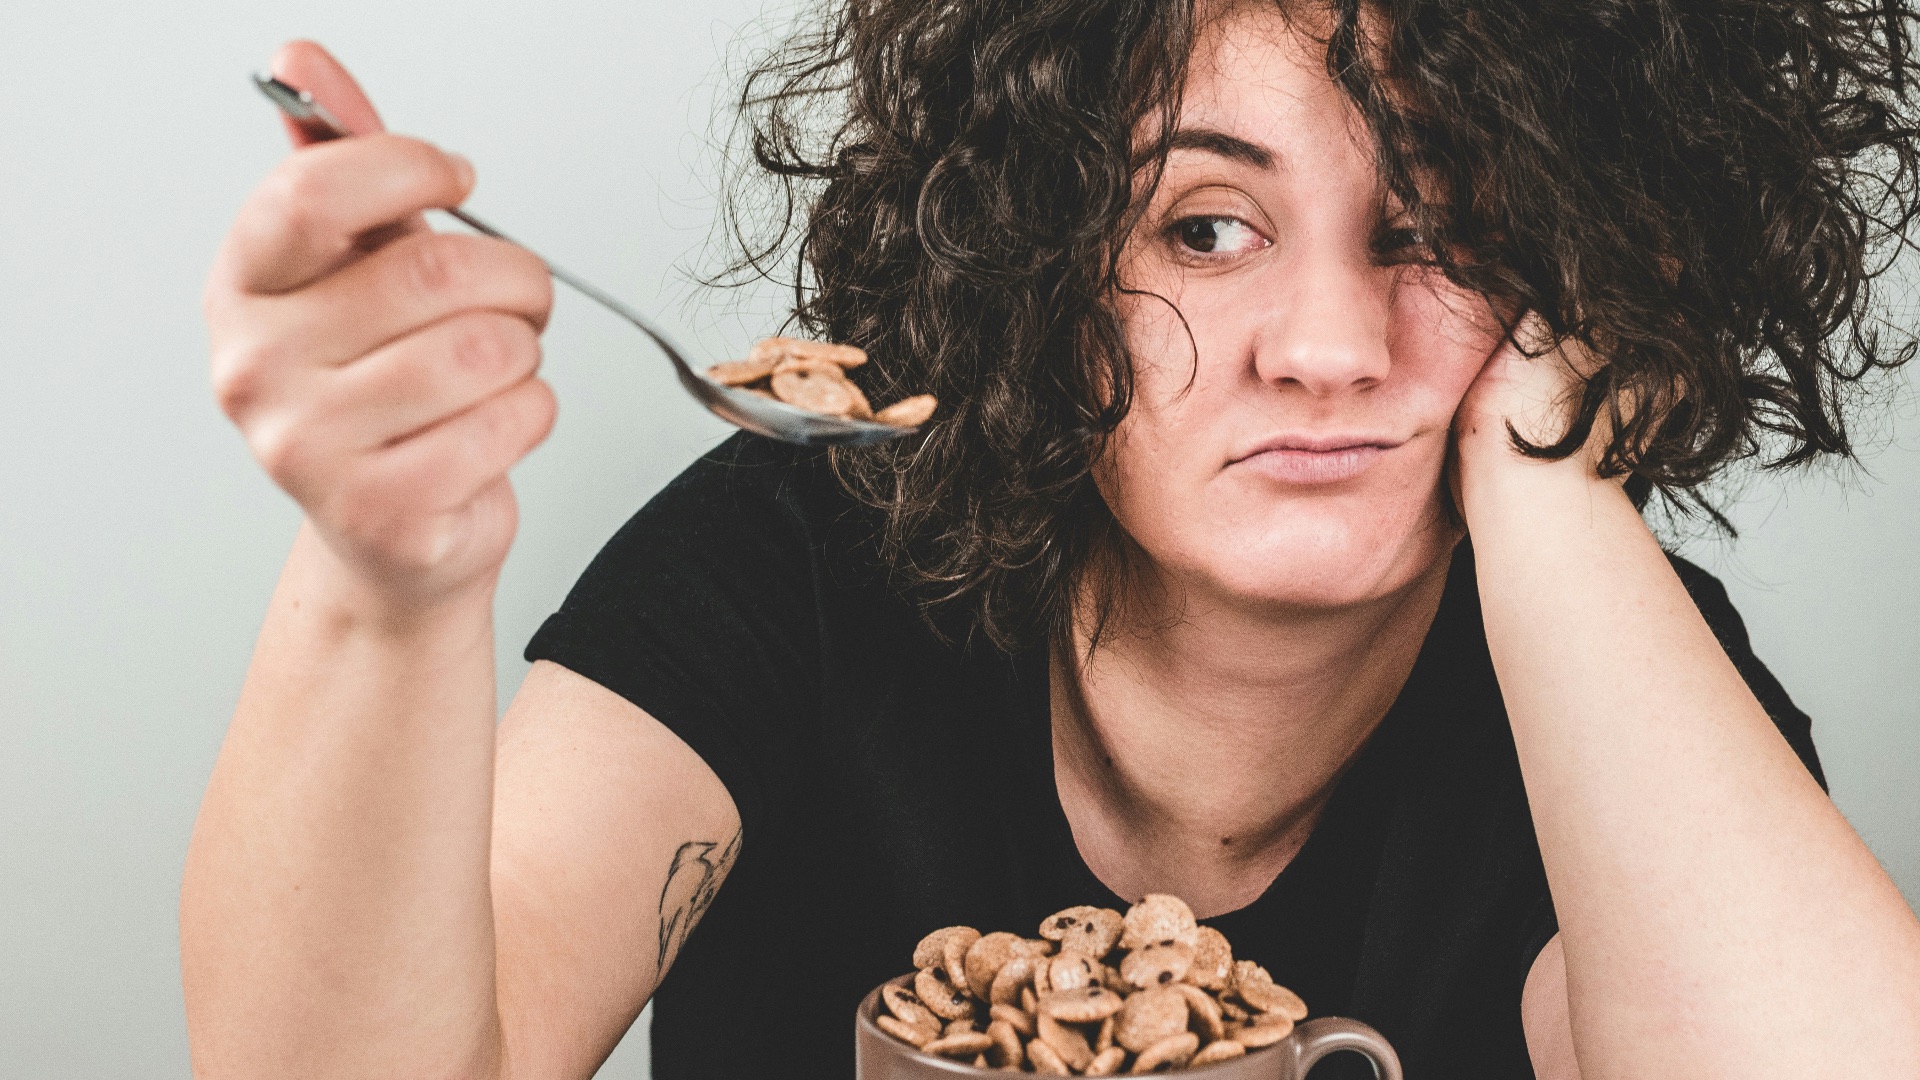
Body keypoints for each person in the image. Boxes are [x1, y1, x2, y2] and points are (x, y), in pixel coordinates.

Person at [182, 1, 1920, 1077]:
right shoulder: (795, 562)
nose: (1327, 346)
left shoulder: (1608, 672)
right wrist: (379, 586)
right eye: (1210, 224)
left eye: (1444, 232)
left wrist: (1550, 472)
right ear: (1039, 253)